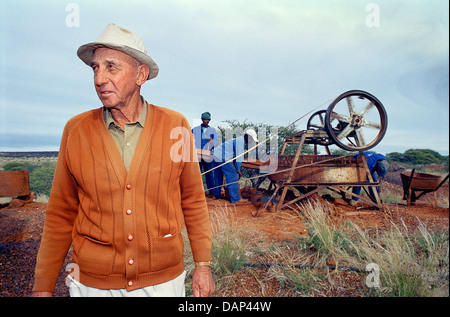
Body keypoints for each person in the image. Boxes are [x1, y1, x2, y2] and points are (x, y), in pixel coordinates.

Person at [32, 23, 214, 297]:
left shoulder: (176, 126)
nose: (99, 78)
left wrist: (203, 265)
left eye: (111, 67)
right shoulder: (76, 130)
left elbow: (193, 200)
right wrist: (43, 287)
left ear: (141, 74)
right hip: (92, 284)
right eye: (95, 68)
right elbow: (60, 212)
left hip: (162, 282)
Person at [212, 129, 258, 203]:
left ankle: (216, 195)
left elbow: (234, 156)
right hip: (222, 157)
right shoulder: (241, 141)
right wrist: (237, 170)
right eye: (251, 139)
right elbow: (239, 158)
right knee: (233, 175)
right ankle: (235, 199)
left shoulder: (238, 140)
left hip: (215, 155)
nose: (251, 141)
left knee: (218, 176)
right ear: (247, 137)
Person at [191, 112, 219, 195]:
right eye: (204, 120)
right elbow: (190, 139)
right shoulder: (195, 129)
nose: (206, 122)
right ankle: (195, 191)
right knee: (196, 173)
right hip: (197, 155)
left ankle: (211, 192)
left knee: (209, 173)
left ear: (209, 120)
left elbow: (216, 141)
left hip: (207, 155)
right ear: (202, 120)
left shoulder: (212, 130)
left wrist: (212, 142)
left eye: (208, 120)